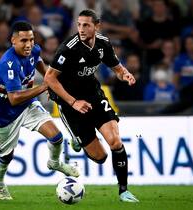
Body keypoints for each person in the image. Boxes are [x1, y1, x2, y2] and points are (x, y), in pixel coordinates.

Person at [44, 9, 139, 202]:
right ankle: (76, 137)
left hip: (94, 96)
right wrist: (73, 102)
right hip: (69, 102)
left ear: (97, 26)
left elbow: (117, 69)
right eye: (79, 25)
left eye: (86, 25)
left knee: (115, 142)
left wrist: (125, 75)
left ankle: (124, 191)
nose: (81, 29)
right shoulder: (68, 48)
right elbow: (49, 78)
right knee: (100, 157)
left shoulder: (103, 43)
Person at [0, 21, 79, 201]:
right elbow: (14, 99)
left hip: (27, 104)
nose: (28, 44)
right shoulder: (8, 64)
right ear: (13, 41)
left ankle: (54, 163)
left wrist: (48, 78)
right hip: (4, 115)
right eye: (23, 40)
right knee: (6, 157)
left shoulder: (34, 50)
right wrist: (46, 86)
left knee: (56, 137)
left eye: (31, 39)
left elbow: (38, 61)